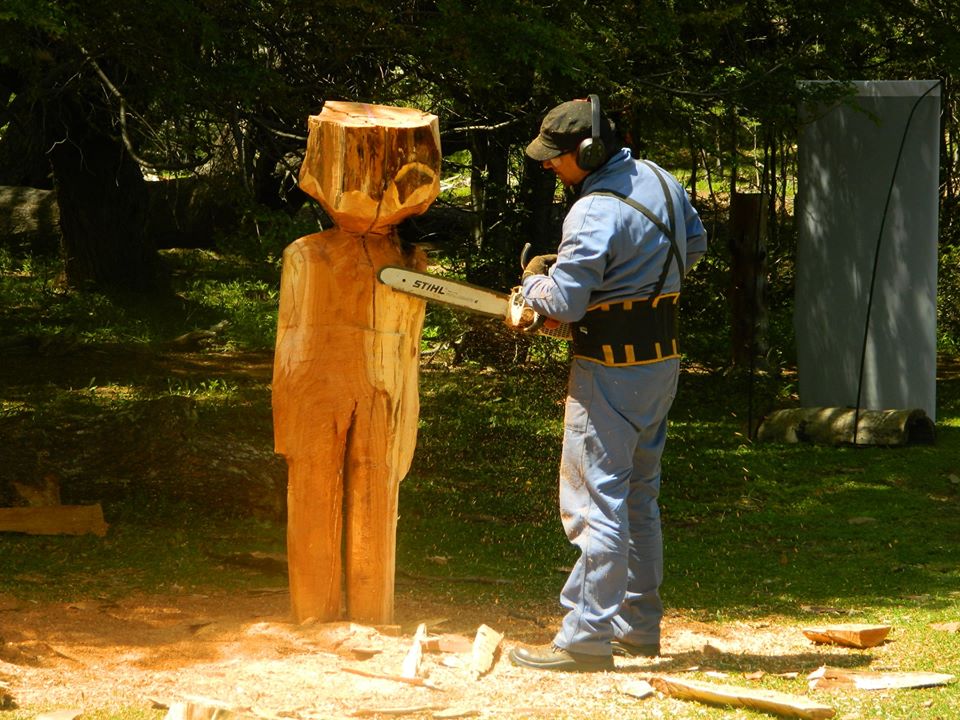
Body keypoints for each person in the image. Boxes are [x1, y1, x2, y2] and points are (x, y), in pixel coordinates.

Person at [508, 96, 707, 672]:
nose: (549, 165)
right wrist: (632, 285)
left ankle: (586, 637)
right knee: (638, 497)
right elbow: (692, 246)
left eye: (556, 156)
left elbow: (565, 304)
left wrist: (532, 287)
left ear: (588, 151)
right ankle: (638, 625)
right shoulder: (660, 179)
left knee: (596, 501)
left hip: (610, 370)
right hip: (659, 362)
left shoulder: (593, 209)